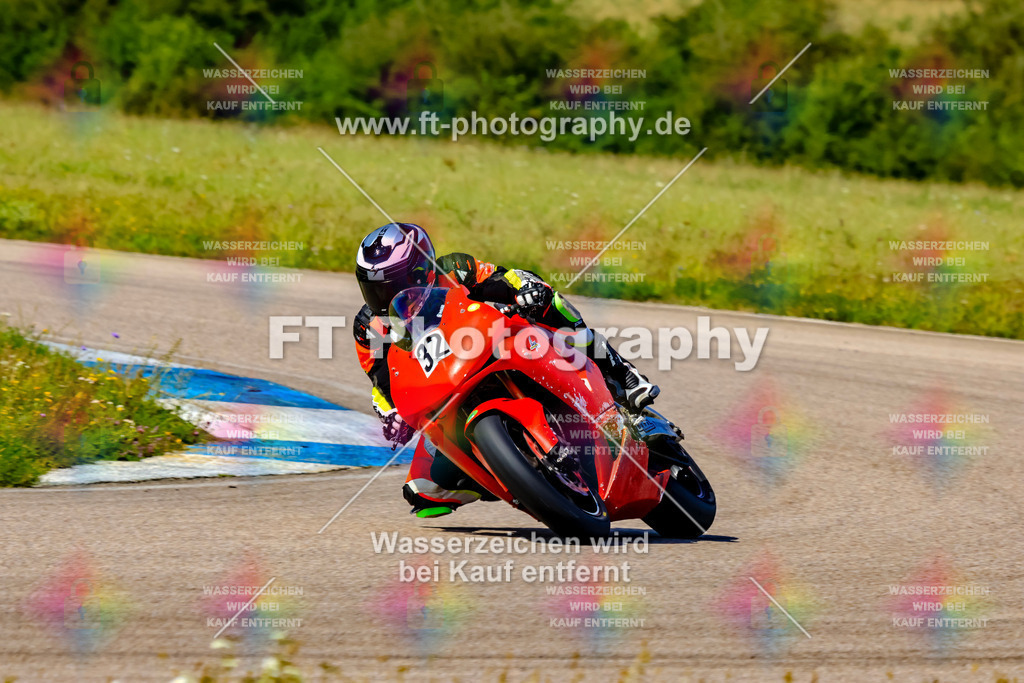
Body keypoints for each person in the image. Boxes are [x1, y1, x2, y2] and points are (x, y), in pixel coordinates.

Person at [352, 223, 659, 518]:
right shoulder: (368, 329)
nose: (384, 299)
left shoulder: (456, 269)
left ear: (422, 271)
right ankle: (513, 473)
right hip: (446, 389)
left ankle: (619, 372)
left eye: (392, 285)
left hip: (502, 347)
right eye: (374, 289)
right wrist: (390, 413)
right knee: (422, 490)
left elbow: (508, 279)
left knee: (550, 305)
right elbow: (383, 382)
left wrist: (526, 290)